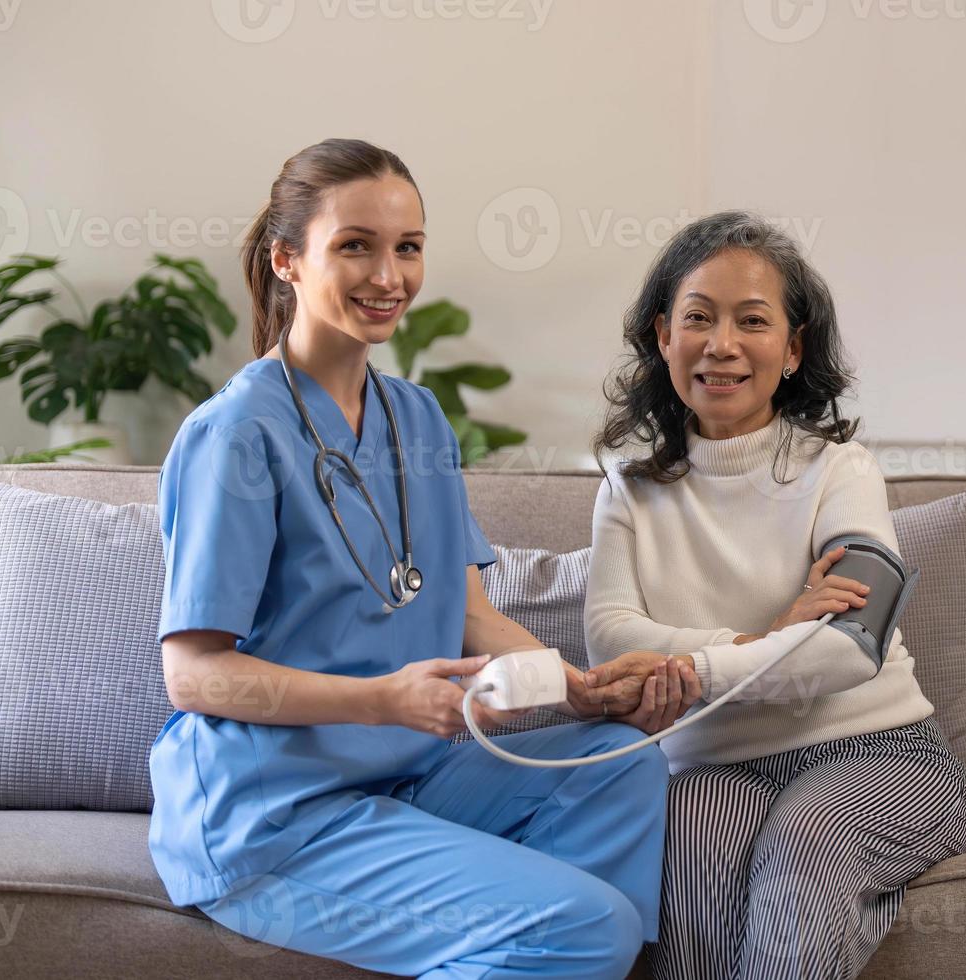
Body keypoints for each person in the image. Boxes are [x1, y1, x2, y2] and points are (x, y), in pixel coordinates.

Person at [151, 138, 668, 980]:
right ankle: (559, 945)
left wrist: (575, 685)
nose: (388, 275)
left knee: (621, 767)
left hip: (408, 781)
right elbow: (194, 675)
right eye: (355, 245)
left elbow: (469, 613)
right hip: (274, 815)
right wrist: (381, 701)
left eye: (408, 247)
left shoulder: (419, 419)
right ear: (287, 259)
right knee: (587, 926)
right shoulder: (235, 436)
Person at [583, 211, 966, 980]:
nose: (721, 344)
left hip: (879, 752)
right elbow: (609, 641)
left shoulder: (841, 471)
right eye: (697, 318)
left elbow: (851, 645)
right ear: (664, 337)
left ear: (793, 349)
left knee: (806, 848)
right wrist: (768, 637)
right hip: (714, 761)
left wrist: (694, 670)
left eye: (752, 322)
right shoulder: (627, 491)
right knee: (687, 858)